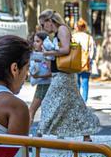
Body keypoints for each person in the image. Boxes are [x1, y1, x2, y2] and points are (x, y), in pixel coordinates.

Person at [37, 10, 101, 142]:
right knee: (74, 105)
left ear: (50, 21)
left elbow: (66, 49)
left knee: (48, 102)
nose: (42, 28)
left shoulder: (62, 29)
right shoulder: (58, 31)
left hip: (63, 75)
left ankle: (38, 134)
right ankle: (86, 134)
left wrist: (48, 53)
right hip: (62, 74)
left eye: (43, 25)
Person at [27, 31, 53, 124]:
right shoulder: (35, 54)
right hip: (42, 85)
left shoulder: (48, 55)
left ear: (44, 42)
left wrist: (37, 76)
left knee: (32, 110)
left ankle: (26, 135)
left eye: (37, 41)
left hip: (45, 85)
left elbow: (51, 73)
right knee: (43, 111)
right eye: (34, 41)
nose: (35, 43)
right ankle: (38, 134)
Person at [71, 19, 95, 101]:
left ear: (77, 27)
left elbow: (72, 49)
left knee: (76, 83)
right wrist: (90, 59)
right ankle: (84, 101)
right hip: (86, 62)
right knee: (85, 82)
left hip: (75, 62)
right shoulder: (89, 38)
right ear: (85, 27)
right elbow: (92, 51)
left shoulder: (73, 37)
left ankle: (78, 101)